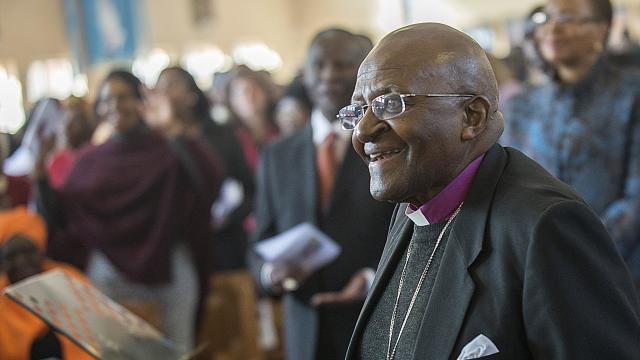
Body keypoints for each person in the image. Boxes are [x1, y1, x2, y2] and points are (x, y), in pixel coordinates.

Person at [339, 23, 640, 359]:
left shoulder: (545, 225)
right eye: (358, 110)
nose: (363, 130)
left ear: (472, 116)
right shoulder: (413, 203)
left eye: (389, 104)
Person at [37, 70, 224, 348]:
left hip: (167, 261)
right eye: (107, 100)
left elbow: (208, 180)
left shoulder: (167, 146)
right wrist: (40, 176)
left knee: (178, 350)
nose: (115, 106)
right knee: (113, 349)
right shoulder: (92, 158)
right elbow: (66, 208)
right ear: (99, 109)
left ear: (140, 100)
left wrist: (175, 131)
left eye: (122, 97)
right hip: (111, 267)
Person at [250, 28, 395, 360]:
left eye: (342, 65)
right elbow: (259, 242)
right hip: (305, 327)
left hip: (374, 320)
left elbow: (409, 229)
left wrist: (371, 277)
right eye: (319, 65)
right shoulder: (278, 154)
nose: (328, 75)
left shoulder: (389, 145)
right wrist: (270, 273)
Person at [502, 0, 640, 289]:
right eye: (545, 18)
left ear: (601, 29)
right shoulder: (519, 108)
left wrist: (581, 253)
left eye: (569, 18)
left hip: (620, 271)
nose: (553, 27)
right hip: (538, 270)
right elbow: (509, 193)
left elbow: (636, 197)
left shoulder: (631, 95)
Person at [155, 66, 255, 271]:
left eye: (171, 86)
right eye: (160, 87)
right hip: (179, 249)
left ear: (191, 95)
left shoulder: (221, 135)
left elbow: (249, 188)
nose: (163, 93)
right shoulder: (156, 142)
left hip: (225, 244)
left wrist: (230, 216)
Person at [0, 206, 95, 360]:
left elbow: (98, 336)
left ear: (41, 252)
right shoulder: (2, 301)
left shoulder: (70, 282)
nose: (21, 261)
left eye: (27, 252)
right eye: (12, 255)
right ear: (2, 263)